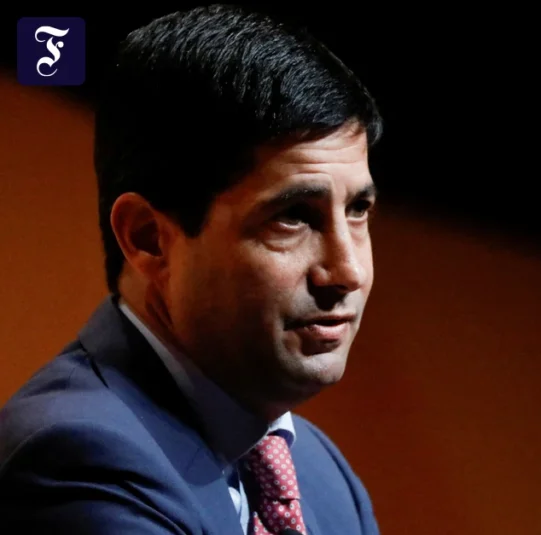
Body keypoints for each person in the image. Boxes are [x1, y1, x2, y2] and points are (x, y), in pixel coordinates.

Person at [0, 5, 383, 533]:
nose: (347, 271)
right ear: (148, 238)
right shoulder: (74, 459)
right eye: (293, 217)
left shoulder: (326, 479)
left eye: (358, 210)